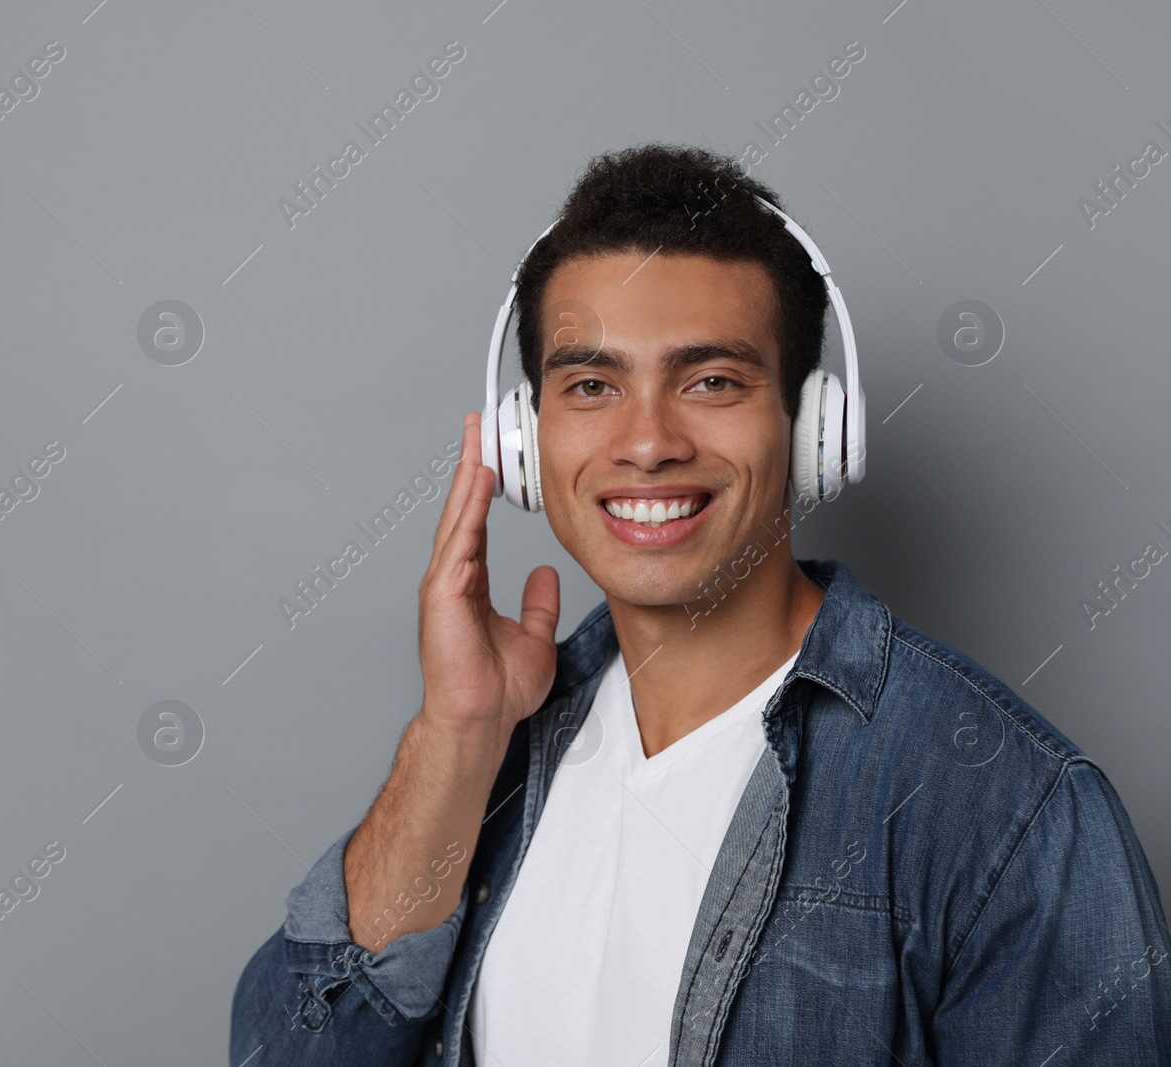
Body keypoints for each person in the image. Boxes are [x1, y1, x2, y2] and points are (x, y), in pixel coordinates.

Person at [229, 143, 1171, 1066]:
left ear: (814, 429)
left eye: (712, 381)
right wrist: (457, 731)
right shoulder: (490, 751)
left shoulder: (1010, 805)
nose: (647, 442)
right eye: (592, 385)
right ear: (524, 439)